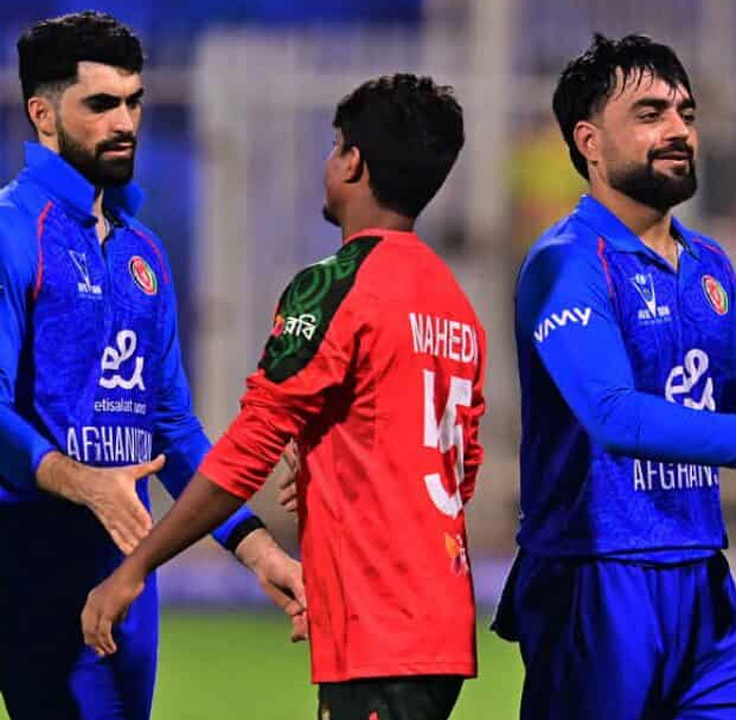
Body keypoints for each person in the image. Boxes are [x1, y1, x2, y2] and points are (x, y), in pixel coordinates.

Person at [81, 72, 484, 720]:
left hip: (379, 627)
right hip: (438, 619)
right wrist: (332, 477)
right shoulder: (451, 299)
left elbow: (250, 448)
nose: (330, 159)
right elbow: (455, 464)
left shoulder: (333, 286)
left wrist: (136, 567)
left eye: (335, 145)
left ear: (353, 162)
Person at [492, 34, 736, 720]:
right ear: (589, 142)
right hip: (595, 575)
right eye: (650, 114)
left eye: (685, 113)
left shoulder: (710, 264)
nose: (678, 130)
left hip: (701, 579)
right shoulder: (565, 262)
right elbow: (611, 413)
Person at [0, 12, 302, 720]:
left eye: (134, 102)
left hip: (124, 568)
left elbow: (172, 427)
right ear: (43, 115)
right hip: (25, 557)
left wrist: (257, 549)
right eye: (102, 104)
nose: (125, 122)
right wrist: (83, 482)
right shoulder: (12, 232)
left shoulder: (145, 252)